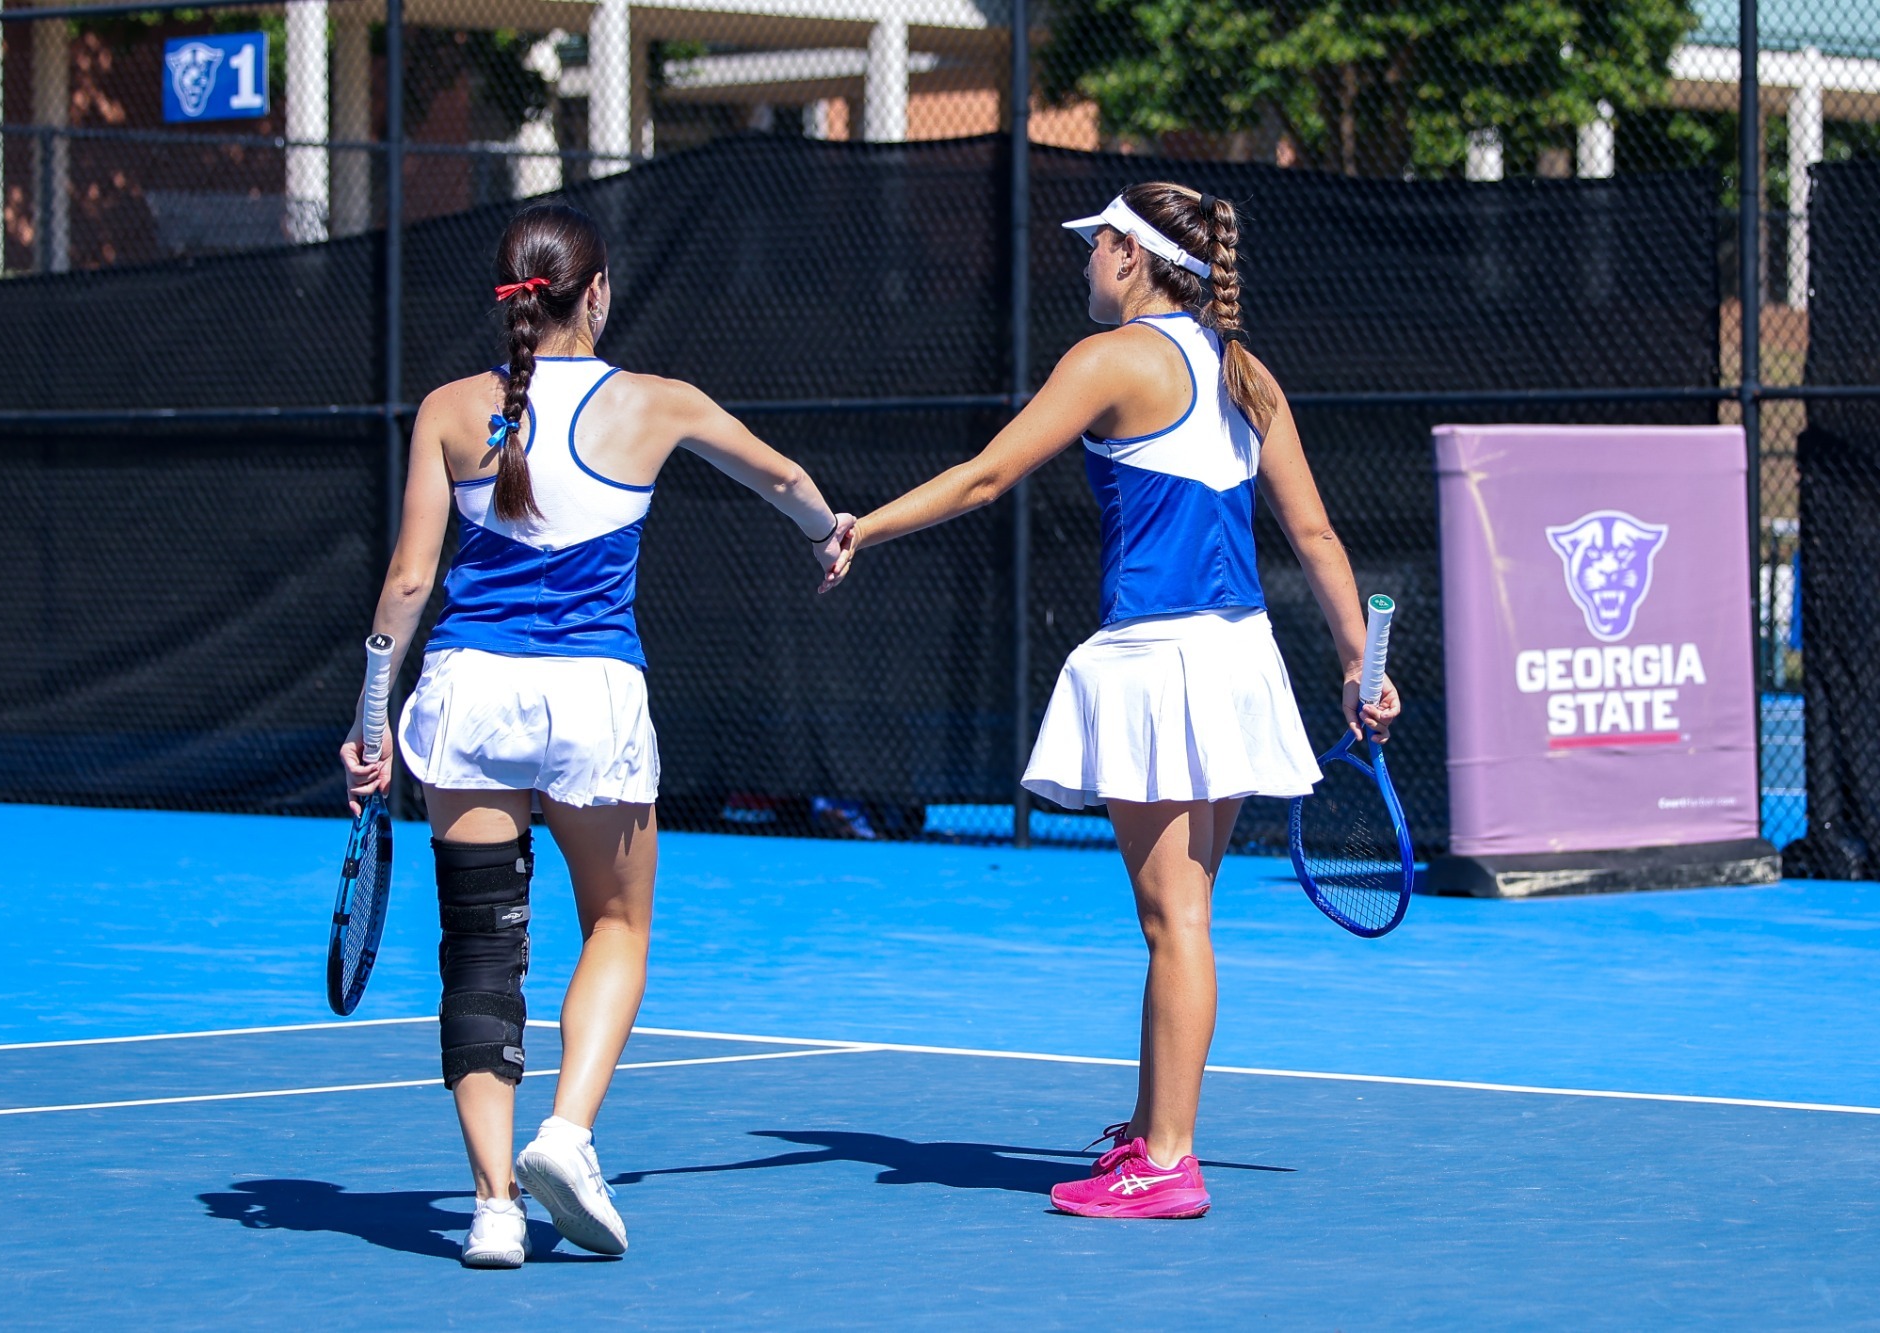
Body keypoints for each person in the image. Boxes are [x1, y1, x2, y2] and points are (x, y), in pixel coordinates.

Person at [821, 183, 1400, 1219]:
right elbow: (1314, 536)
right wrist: (1360, 663)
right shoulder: (1246, 372)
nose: (1083, 263)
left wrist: (866, 528)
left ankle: (1168, 1161)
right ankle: (1149, 1131)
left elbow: (985, 478)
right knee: (1181, 912)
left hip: (1161, 658)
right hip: (1235, 658)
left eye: (1095, 248)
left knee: (1173, 917)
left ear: (1131, 260)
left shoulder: (1107, 361)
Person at [342, 202, 850, 1264]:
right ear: (600, 292)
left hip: (467, 697)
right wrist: (826, 536)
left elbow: (406, 580)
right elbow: (784, 481)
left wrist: (368, 716)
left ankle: (492, 1207)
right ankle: (564, 1136)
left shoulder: (445, 408)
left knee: (479, 957)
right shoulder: (657, 403)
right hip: (592, 704)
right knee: (615, 927)